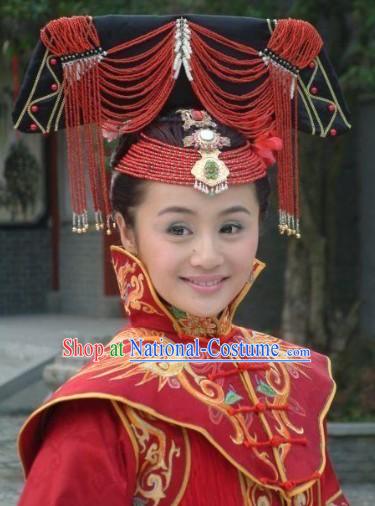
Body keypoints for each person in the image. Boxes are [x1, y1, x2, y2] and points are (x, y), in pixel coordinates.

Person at [13, 13, 351, 506]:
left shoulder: (292, 378)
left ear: (262, 223)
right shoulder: (99, 411)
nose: (208, 255)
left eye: (232, 226)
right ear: (126, 230)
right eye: (177, 228)